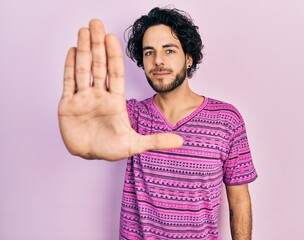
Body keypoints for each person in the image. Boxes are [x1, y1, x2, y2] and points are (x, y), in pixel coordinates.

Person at [58, 7, 257, 240]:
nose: (158, 61)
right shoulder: (129, 115)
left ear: (189, 58)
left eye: (169, 50)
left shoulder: (227, 119)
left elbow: (239, 199)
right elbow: (101, 134)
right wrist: (85, 140)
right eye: (149, 52)